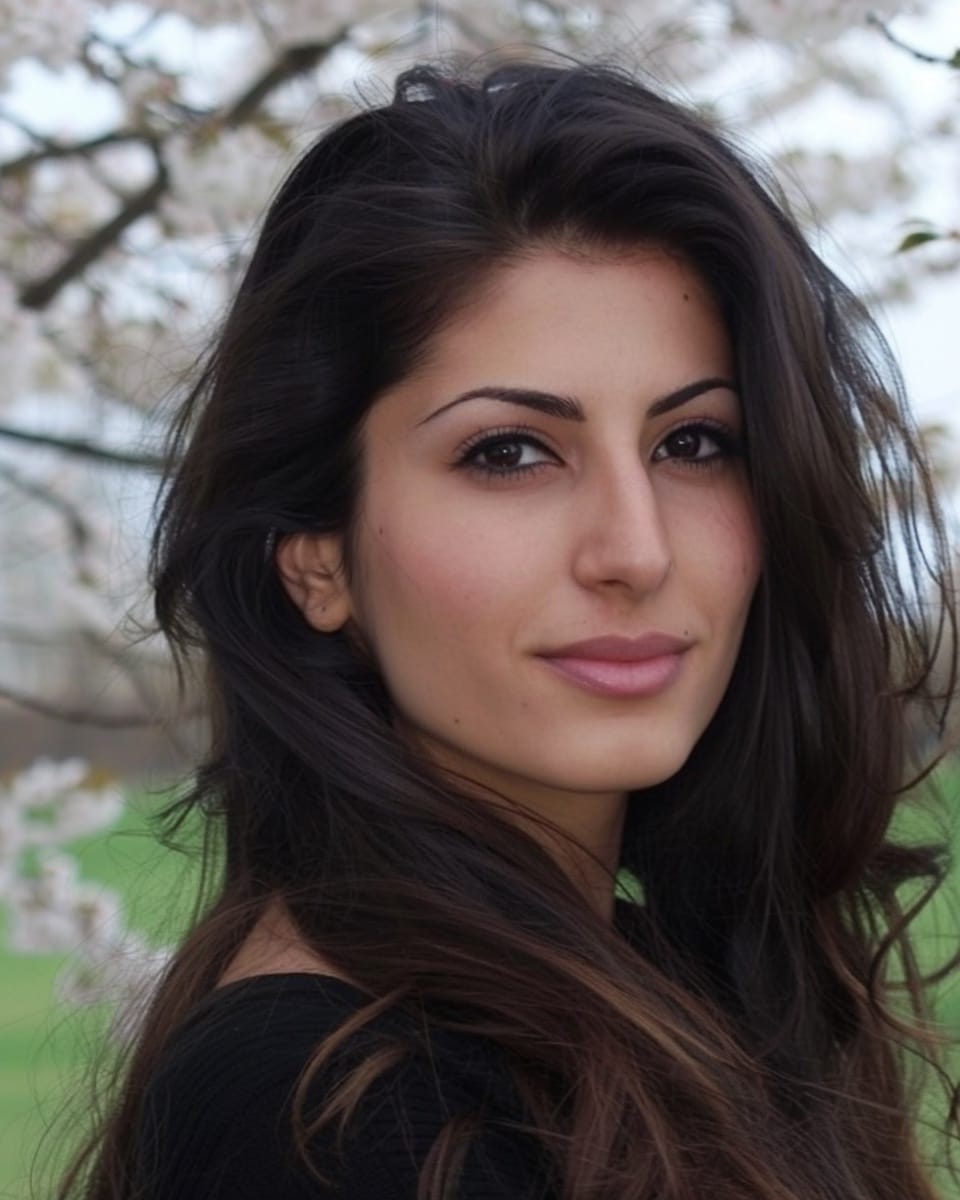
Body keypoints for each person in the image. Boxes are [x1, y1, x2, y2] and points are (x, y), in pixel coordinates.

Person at [59, 55, 959, 1200]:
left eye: (693, 444)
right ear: (316, 558)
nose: (635, 550)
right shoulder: (330, 1113)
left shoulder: (673, 991)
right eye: (509, 453)